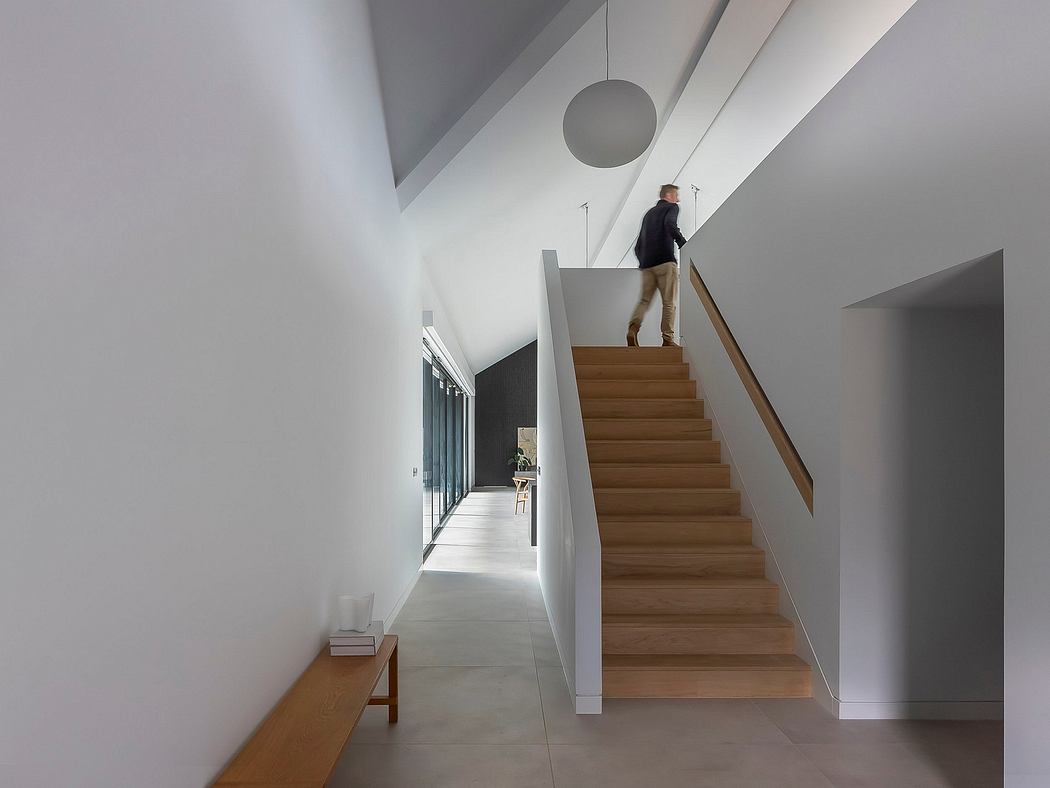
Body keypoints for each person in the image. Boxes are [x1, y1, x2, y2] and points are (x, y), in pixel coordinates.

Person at [627, 183, 688, 347]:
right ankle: (667, 339)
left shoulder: (648, 214)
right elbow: (670, 224)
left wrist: (643, 261)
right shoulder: (672, 207)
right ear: (668, 196)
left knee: (644, 300)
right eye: (676, 195)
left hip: (647, 265)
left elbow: (638, 244)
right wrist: (683, 243)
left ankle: (633, 328)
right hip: (665, 262)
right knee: (669, 302)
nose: (678, 199)